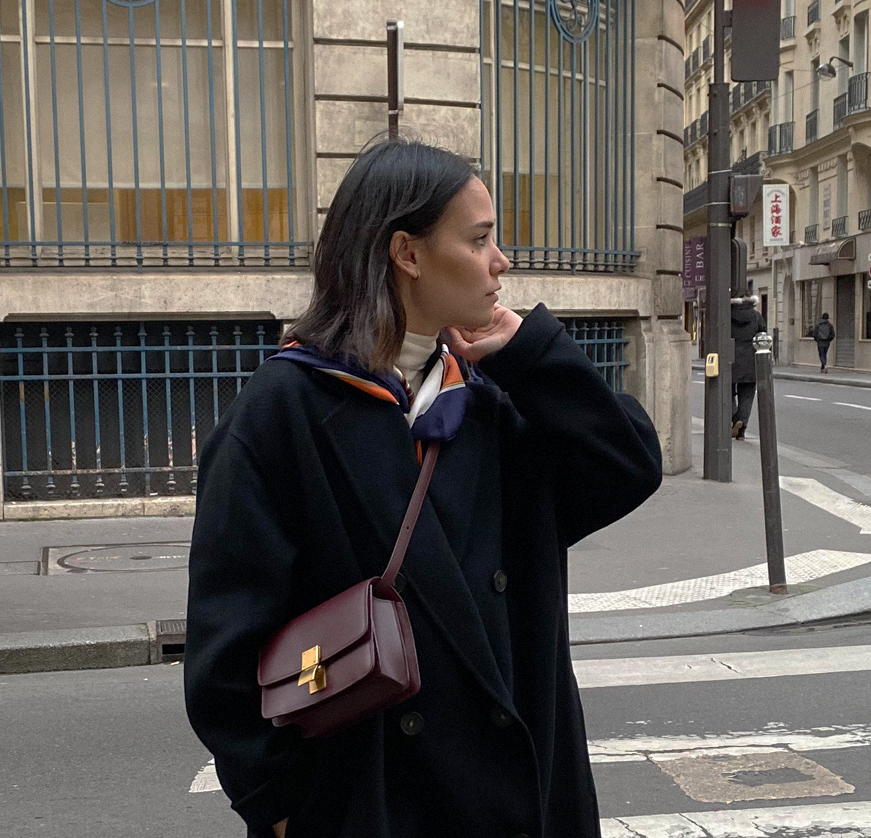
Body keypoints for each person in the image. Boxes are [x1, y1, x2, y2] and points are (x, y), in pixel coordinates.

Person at [183, 138, 663, 838]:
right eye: (479, 239)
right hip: (374, 800)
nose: (502, 260)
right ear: (407, 253)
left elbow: (628, 465)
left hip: (520, 794)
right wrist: (282, 807)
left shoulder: (495, 394)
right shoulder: (282, 410)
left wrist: (532, 350)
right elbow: (225, 650)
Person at [730, 294, 765, 440]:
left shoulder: (727, 315)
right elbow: (763, 336)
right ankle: (741, 428)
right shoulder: (756, 316)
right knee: (747, 395)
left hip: (730, 359)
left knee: (728, 393)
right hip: (750, 361)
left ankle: (734, 418)